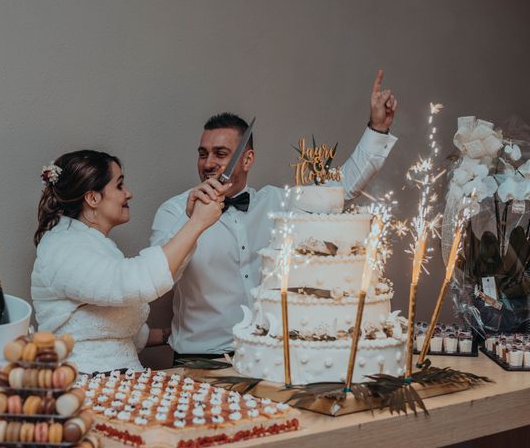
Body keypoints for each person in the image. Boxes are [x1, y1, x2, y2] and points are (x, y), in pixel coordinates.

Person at [150, 70, 399, 361]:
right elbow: (158, 280)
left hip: (268, 355)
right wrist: (193, 222)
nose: (208, 163)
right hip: (200, 360)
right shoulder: (172, 211)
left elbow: (340, 190)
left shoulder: (276, 204)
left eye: (220, 154)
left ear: (248, 159)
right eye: (203, 154)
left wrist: (377, 128)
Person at [31, 150, 226, 373]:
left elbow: (110, 320)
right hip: (82, 384)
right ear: (93, 197)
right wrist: (197, 224)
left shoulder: (93, 245)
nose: (128, 193)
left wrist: (190, 219)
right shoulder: (62, 247)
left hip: (123, 379)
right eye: (120, 185)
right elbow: (134, 282)